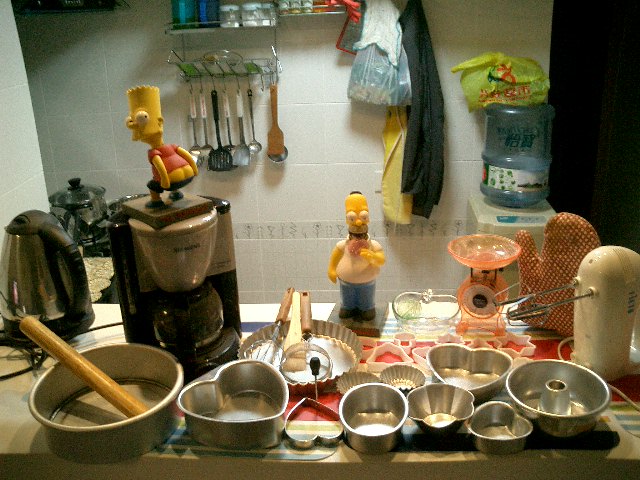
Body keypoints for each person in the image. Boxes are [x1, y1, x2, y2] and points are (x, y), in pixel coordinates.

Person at [125, 85, 198, 208]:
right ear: (160, 122)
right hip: (188, 174)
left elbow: (160, 166)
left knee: (152, 186)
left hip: (172, 180)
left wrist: (165, 180)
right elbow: (186, 154)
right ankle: (176, 194)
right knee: (170, 179)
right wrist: (194, 169)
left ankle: (156, 200)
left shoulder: (154, 153)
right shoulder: (172, 146)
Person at [328, 191, 385, 320]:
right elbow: (335, 257)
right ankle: (348, 308)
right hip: (346, 282)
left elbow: (381, 260)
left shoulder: (373, 245)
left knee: (366, 298)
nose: (358, 223)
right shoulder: (343, 245)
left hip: (367, 282)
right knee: (347, 298)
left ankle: (367, 308)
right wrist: (331, 269)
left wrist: (373, 257)